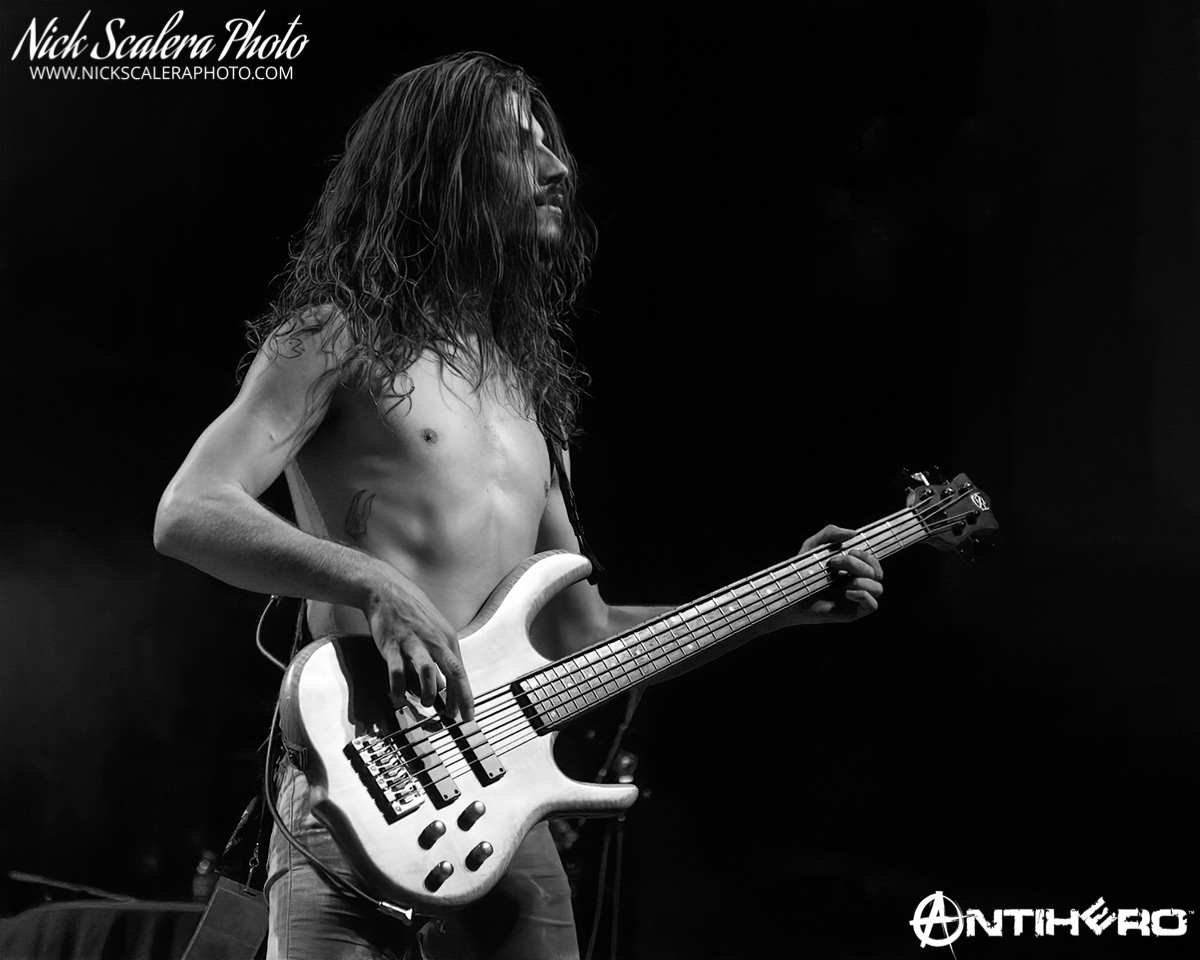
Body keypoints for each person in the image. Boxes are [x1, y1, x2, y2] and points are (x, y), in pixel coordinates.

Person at [154, 51, 884, 960]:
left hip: (500, 804)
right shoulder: (336, 337)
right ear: (441, 169)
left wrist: (779, 604)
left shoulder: (534, 397)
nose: (556, 167)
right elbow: (190, 510)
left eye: (553, 145)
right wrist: (374, 583)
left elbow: (584, 636)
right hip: (354, 788)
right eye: (517, 145)